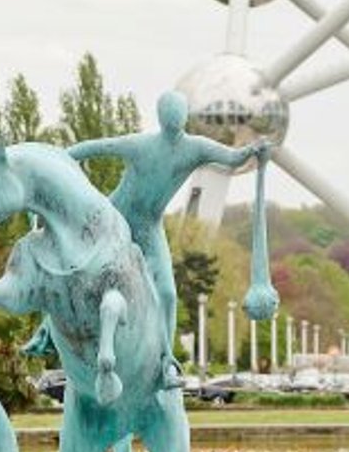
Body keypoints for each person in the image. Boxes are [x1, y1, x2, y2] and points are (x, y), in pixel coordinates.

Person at [68, 90, 265, 352]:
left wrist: (253, 150)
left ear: (185, 116)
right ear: (160, 117)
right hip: (115, 219)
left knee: (168, 295)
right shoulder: (140, 145)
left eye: (177, 113)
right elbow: (94, 148)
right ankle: (48, 332)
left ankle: (166, 357)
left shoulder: (195, 148)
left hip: (149, 227)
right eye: (168, 114)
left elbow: (232, 158)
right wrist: (58, 158)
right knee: (80, 275)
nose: (173, 118)